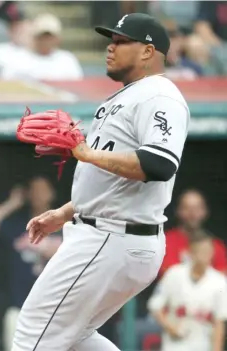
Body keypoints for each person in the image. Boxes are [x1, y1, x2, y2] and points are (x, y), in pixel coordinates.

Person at [12, 13, 190, 350]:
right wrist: (64, 213)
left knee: (33, 331)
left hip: (113, 236)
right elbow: (109, 180)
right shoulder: (126, 96)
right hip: (110, 233)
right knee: (74, 336)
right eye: (112, 40)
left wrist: (87, 154)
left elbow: (159, 164)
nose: (111, 48)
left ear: (148, 52)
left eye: (122, 42)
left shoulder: (159, 95)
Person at [0, 178, 62, 351]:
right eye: (33, 190)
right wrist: (13, 203)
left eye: (42, 189)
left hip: (55, 309)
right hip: (20, 307)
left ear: (52, 193)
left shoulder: (67, 227)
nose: (38, 195)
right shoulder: (19, 225)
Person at [147, 235, 227, 351]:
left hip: (203, 345)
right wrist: (169, 327)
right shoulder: (174, 273)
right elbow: (155, 306)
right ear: (191, 252)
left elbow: (219, 321)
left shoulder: (219, 281)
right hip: (174, 345)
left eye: (208, 251)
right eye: (201, 251)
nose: (206, 255)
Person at [160, 189, 227, 277]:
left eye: (197, 208)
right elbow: (167, 273)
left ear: (205, 211)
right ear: (178, 211)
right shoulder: (166, 240)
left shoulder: (216, 245)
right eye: (187, 208)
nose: (193, 213)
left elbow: (223, 274)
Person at [0, 13, 83, 81]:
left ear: (58, 39)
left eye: (49, 36)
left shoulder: (67, 60)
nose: (46, 40)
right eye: (42, 36)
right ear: (34, 37)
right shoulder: (18, 59)